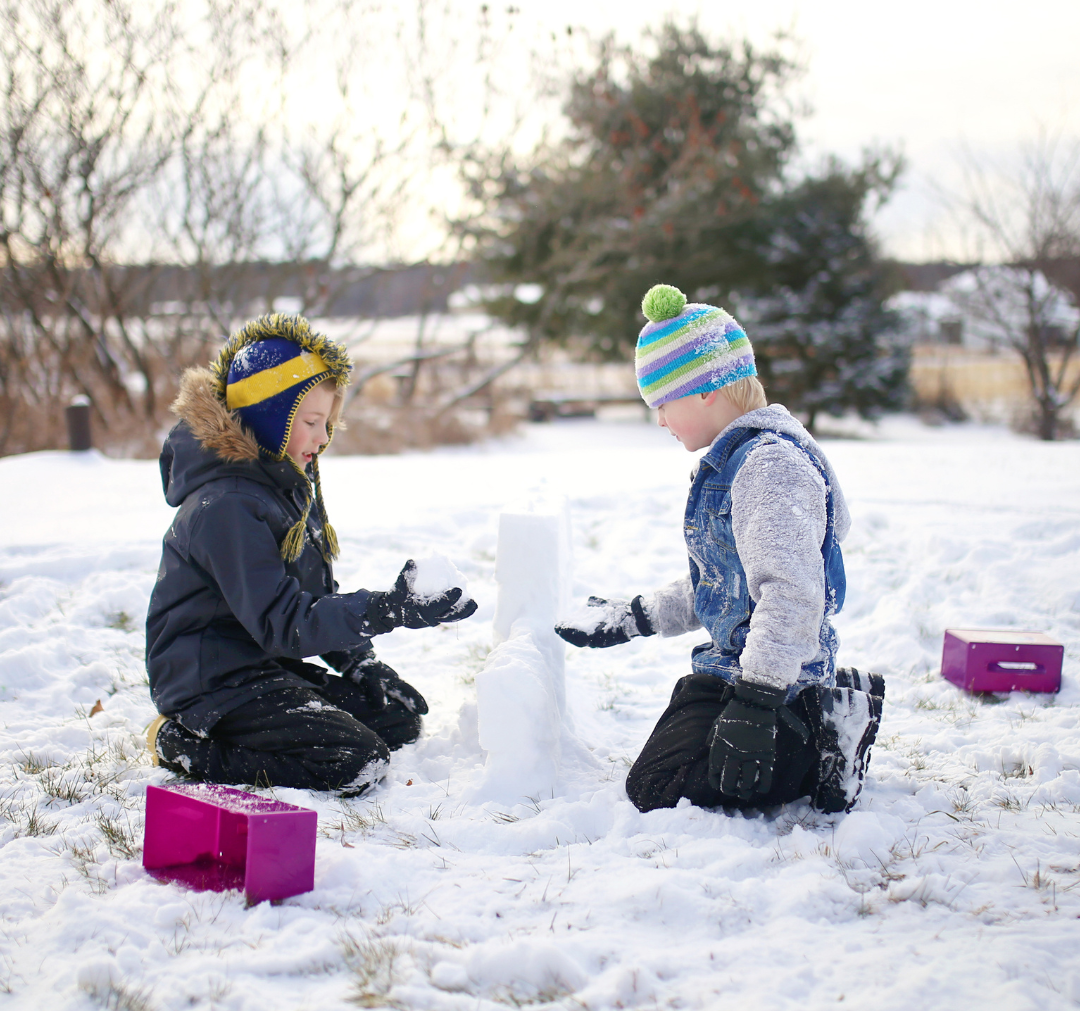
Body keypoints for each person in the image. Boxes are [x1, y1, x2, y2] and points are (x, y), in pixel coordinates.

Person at [555, 284, 883, 814]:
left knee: (661, 785)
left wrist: (754, 704)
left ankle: (828, 735)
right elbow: (723, 584)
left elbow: (793, 594)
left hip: (776, 680)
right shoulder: (734, 463)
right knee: (667, 759)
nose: (659, 420)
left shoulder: (768, 469)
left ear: (706, 389)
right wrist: (635, 616)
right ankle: (808, 719)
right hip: (740, 667)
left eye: (662, 404)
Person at [144, 314, 476, 795]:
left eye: (328, 423)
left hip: (261, 662)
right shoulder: (228, 507)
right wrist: (386, 608)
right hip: (212, 678)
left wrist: (361, 663)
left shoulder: (282, 484)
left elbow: (312, 594)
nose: (323, 438)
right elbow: (285, 621)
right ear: (269, 417)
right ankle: (178, 741)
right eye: (312, 422)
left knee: (396, 720)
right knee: (354, 762)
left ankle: (282, 715)